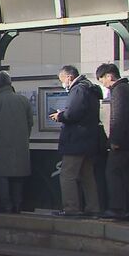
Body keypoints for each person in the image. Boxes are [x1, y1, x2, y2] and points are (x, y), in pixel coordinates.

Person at [50, 65, 102, 217]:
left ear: (69, 77)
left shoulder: (78, 89)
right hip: (88, 140)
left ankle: (70, 208)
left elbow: (73, 113)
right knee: (87, 175)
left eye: (62, 80)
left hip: (76, 140)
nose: (63, 83)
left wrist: (60, 116)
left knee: (67, 175)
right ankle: (93, 208)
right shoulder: (90, 89)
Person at [95, 63, 129, 222]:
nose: (103, 84)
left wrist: (114, 140)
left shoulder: (119, 90)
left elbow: (118, 118)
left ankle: (117, 208)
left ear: (109, 76)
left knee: (113, 172)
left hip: (123, 142)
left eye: (102, 80)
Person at [0, 71, 32, 213]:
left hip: (1, 144)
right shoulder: (24, 100)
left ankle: (6, 205)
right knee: (18, 175)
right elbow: (30, 122)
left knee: (2, 175)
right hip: (21, 144)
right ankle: (17, 204)